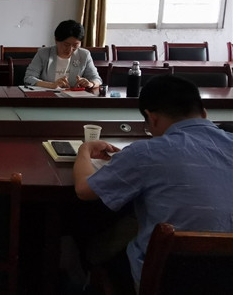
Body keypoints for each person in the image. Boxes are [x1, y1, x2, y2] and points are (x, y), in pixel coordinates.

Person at [73, 75, 233, 290]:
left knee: (91, 235)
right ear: (204, 112)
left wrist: (85, 150)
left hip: (167, 280)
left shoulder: (147, 152)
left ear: (151, 118)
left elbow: (84, 190)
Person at [24, 19, 101, 89]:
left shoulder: (84, 55)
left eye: (75, 45)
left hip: (73, 98)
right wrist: (52, 85)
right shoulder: (43, 53)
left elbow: (96, 79)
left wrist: (90, 84)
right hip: (48, 97)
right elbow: (29, 78)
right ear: (56, 40)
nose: (70, 49)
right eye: (66, 45)